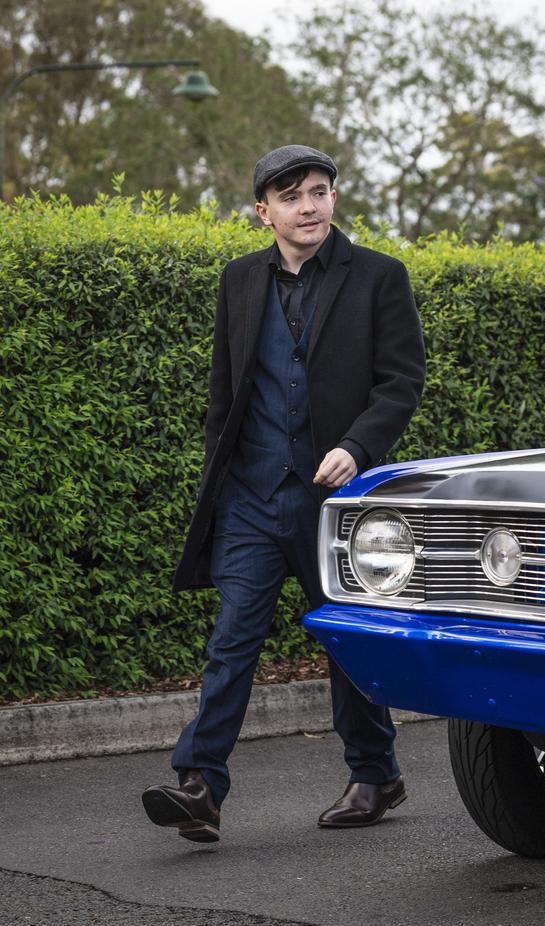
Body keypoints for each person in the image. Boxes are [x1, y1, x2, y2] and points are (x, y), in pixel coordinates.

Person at [142, 144, 426, 844]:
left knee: (345, 643)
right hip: (251, 494)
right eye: (293, 195)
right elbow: (225, 390)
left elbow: (400, 382)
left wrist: (356, 447)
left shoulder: (379, 277)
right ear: (263, 209)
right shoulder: (239, 281)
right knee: (232, 636)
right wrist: (223, 471)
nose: (309, 205)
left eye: (320, 191)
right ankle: (200, 784)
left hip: (336, 501)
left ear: (333, 198)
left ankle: (374, 774)